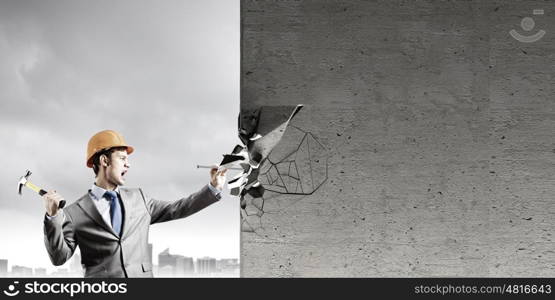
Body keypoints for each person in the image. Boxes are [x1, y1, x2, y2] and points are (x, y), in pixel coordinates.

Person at [43, 130, 227, 278]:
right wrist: (52, 217)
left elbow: (178, 208)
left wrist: (213, 187)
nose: (128, 165)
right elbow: (59, 257)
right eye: (122, 158)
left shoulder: (139, 199)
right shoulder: (74, 213)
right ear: (104, 160)